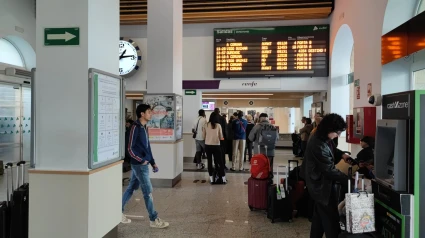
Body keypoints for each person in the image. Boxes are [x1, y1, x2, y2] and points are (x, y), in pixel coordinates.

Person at [302, 113, 351, 238]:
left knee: (319, 215)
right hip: (321, 185)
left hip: (319, 183)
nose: (338, 135)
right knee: (331, 219)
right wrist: (349, 181)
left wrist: (342, 155)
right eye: (337, 132)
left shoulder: (323, 137)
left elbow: (332, 149)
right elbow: (329, 170)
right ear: (329, 129)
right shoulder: (318, 143)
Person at [122, 104, 169, 228]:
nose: (151, 114)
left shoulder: (144, 127)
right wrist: (141, 160)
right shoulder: (135, 127)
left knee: (131, 188)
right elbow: (129, 148)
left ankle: (117, 211)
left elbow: (147, 147)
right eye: (149, 112)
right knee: (148, 192)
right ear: (142, 114)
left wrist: (152, 162)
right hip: (139, 165)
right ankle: (153, 219)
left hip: (144, 164)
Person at [203, 112, 227, 184]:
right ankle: (223, 178)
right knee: (220, 162)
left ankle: (211, 179)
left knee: (209, 162)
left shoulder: (206, 125)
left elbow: (203, 136)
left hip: (207, 145)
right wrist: (222, 140)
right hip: (216, 145)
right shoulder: (218, 125)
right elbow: (221, 137)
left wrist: (208, 139)